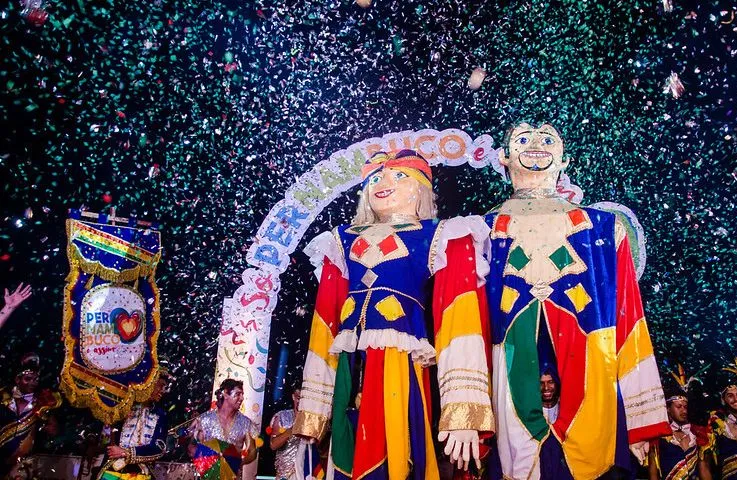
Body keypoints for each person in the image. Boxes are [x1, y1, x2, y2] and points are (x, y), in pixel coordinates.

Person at [483, 121, 670, 479]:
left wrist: (639, 418)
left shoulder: (602, 227)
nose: (536, 144)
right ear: (504, 159)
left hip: (594, 385)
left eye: (547, 138)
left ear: (564, 160)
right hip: (507, 389)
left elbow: (629, 319)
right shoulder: (481, 229)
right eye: (523, 139)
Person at [294, 149, 494, 478]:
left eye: (399, 176)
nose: (383, 182)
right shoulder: (339, 240)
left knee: (396, 449)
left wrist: (464, 410)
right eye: (376, 177)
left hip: (400, 360)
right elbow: (324, 323)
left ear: (421, 189)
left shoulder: (440, 234)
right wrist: (313, 411)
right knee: (347, 450)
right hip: (349, 362)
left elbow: (460, 318)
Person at [99, 369, 172, 478]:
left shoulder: (160, 415)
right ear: (148, 383)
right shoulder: (123, 407)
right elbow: (104, 440)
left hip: (140, 474)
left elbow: (159, 448)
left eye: (164, 387)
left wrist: (125, 452)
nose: (162, 391)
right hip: (111, 471)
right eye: (160, 385)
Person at [0, 353, 61, 478]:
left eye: (36, 380)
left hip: (25, 465)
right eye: (28, 379)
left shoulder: (42, 403)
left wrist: (45, 430)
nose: (32, 383)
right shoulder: (3, 400)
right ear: (17, 380)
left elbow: (54, 431)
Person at [191, 379, 259, 480]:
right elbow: (192, 447)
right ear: (226, 394)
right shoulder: (204, 420)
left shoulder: (246, 423)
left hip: (233, 476)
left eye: (242, 394)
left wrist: (239, 462)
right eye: (238, 394)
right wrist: (207, 462)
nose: (242, 398)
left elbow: (252, 451)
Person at [648, 385, 707, 480]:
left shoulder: (696, 435)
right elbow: (653, 473)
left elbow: (703, 469)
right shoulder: (659, 437)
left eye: (685, 407)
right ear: (668, 409)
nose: (684, 410)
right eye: (679, 407)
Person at [269, 389, 301, 480]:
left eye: (304, 398)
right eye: (298, 398)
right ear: (293, 397)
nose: (301, 401)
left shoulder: (313, 420)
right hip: (285, 475)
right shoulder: (282, 416)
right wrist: (290, 431)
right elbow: (273, 445)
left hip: (306, 474)